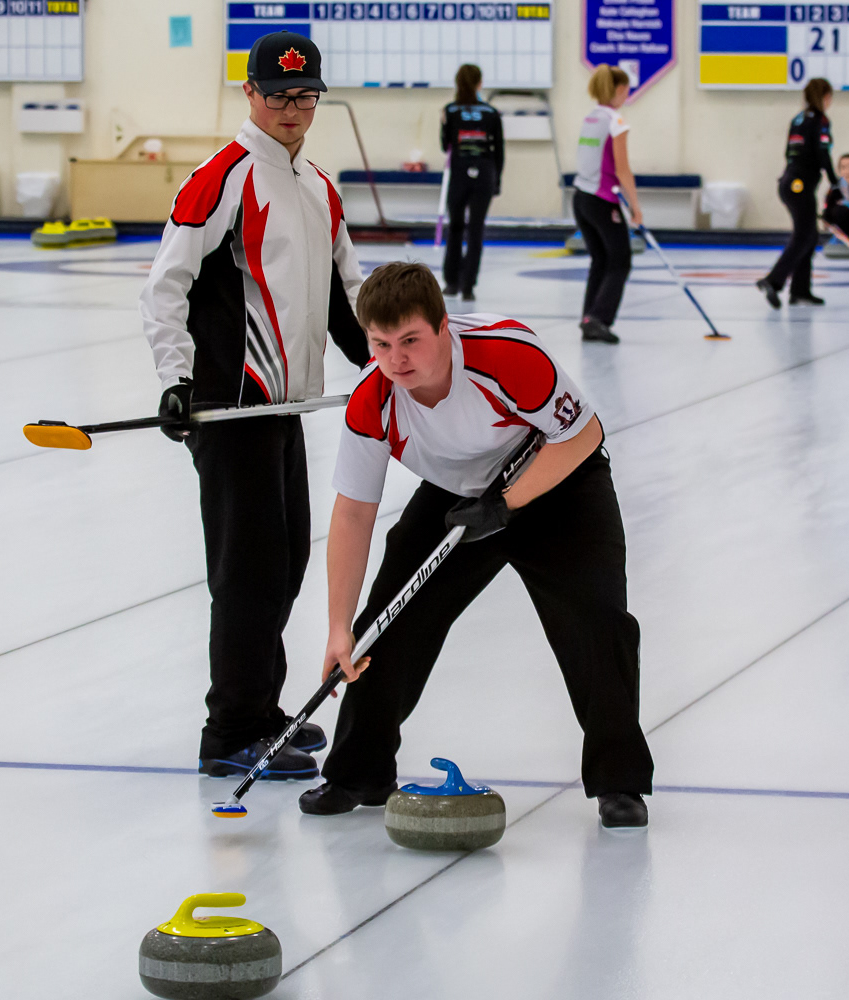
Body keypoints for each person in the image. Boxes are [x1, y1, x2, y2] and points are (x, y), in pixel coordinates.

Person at [296, 262, 654, 829]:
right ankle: (357, 773)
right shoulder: (373, 398)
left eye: (410, 340)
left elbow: (584, 434)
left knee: (597, 621)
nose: (396, 359)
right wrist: (339, 628)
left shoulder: (506, 354)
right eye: (381, 344)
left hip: (558, 481)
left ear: (443, 326)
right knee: (386, 625)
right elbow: (354, 513)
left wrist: (505, 504)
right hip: (458, 494)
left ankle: (620, 782)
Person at [141, 31, 370, 781]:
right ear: (250, 93)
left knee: (284, 562)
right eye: (278, 95)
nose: (292, 110)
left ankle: (262, 709)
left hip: (284, 408)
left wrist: (382, 367)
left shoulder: (318, 186)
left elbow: (345, 296)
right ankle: (230, 731)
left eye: (305, 97)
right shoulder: (222, 178)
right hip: (230, 409)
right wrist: (176, 378)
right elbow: (165, 286)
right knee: (245, 573)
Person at [573, 64, 641, 345]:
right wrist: (636, 207)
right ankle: (599, 318)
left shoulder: (590, 117)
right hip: (602, 201)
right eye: (626, 91)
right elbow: (622, 169)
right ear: (620, 89)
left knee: (600, 259)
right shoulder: (616, 121)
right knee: (620, 260)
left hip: (581, 198)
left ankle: (589, 318)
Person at [757, 78, 837, 309]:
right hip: (800, 186)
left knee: (809, 236)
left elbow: (788, 153)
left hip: (788, 183)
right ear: (825, 97)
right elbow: (823, 154)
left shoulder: (798, 119)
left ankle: (800, 291)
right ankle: (773, 281)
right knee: (804, 236)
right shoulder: (820, 120)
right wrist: (834, 182)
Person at [439, 63, 504, 302]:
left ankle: (451, 282)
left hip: (459, 172)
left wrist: (446, 125)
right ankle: (468, 286)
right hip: (485, 173)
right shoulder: (491, 112)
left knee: (455, 227)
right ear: (479, 83)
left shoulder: (450, 110)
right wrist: (497, 180)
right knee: (476, 230)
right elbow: (499, 150)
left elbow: (444, 144)